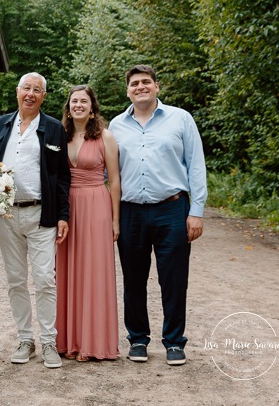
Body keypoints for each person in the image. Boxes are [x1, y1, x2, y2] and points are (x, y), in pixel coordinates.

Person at [109, 64, 207, 366]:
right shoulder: (116, 126)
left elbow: (196, 165)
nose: (141, 87)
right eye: (135, 83)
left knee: (174, 279)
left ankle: (175, 342)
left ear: (156, 87)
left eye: (146, 82)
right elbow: (107, 173)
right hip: (130, 212)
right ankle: (137, 339)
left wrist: (197, 211)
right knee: (134, 280)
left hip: (171, 208)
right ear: (128, 90)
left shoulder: (181, 119)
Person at [0, 72, 71, 369]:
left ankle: (49, 341)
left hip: (41, 214)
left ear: (44, 96)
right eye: (27, 88)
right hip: (7, 214)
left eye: (37, 90)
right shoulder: (1, 124)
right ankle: (26, 339)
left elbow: (63, 177)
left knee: (44, 279)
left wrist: (63, 215)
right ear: (17, 91)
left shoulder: (53, 129)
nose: (31, 94)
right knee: (15, 281)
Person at [56, 85, 121, 361]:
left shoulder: (105, 136)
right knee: (67, 271)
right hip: (67, 207)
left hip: (96, 204)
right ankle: (69, 341)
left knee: (94, 272)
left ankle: (94, 343)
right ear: (68, 107)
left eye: (84, 101)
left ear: (92, 107)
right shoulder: (61, 135)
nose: (78, 105)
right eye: (74, 101)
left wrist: (116, 220)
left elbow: (115, 180)